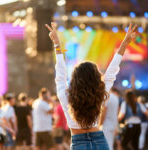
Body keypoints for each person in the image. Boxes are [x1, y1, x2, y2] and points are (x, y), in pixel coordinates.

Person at [46, 22, 137, 150]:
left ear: (75, 78)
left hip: (79, 144)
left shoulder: (65, 95)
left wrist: (57, 44)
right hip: (100, 142)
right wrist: (125, 43)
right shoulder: (99, 92)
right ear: (95, 78)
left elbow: (60, 73)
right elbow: (112, 70)